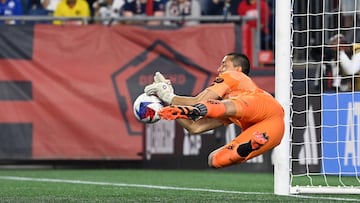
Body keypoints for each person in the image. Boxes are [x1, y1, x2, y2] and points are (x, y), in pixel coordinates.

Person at [144, 53, 284, 168]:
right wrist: (167, 101)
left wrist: (168, 96)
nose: (219, 69)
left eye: (224, 64)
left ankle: (197, 110)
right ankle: (250, 145)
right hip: (270, 130)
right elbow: (195, 127)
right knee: (215, 160)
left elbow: (198, 102)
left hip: (263, 106)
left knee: (218, 106)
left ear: (238, 69)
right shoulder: (229, 109)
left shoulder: (234, 76)